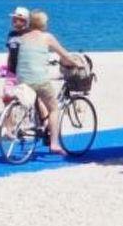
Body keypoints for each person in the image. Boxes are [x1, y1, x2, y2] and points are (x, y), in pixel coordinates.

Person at [13, 10, 84, 154]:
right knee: (54, 108)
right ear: (43, 24)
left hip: (21, 78)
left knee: (38, 96)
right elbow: (65, 55)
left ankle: (42, 123)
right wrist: (76, 64)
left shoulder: (22, 37)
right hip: (38, 80)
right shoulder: (47, 37)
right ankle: (54, 143)